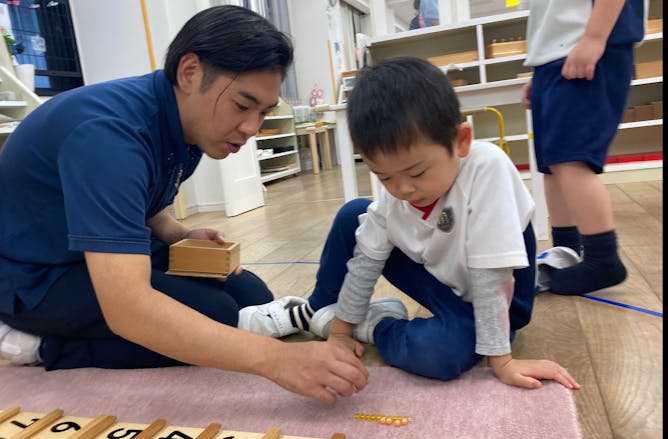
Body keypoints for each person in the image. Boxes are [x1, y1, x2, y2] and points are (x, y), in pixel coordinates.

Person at [0, 5, 368, 406]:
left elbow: (139, 197)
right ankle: (39, 345)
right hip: (33, 276)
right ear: (190, 73)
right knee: (216, 317)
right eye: (243, 106)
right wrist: (279, 361)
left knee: (250, 296)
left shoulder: (182, 125)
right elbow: (129, 310)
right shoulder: (110, 137)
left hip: (88, 252)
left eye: (263, 113)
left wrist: (179, 234)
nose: (250, 128)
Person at [239, 56, 580, 391]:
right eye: (384, 176)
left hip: (493, 298)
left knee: (440, 354)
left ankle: (374, 324)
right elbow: (365, 263)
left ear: (461, 141)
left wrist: (502, 361)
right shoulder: (400, 191)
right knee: (354, 214)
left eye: (416, 172)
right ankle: (319, 308)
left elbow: (493, 279)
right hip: (442, 282)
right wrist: (339, 333)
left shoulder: (487, 168)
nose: (402, 189)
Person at [521, 0, 644, 295]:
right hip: (556, 56)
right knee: (551, 164)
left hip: (585, 47)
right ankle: (565, 251)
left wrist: (595, 38)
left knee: (570, 160)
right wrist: (541, 66)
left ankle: (603, 258)